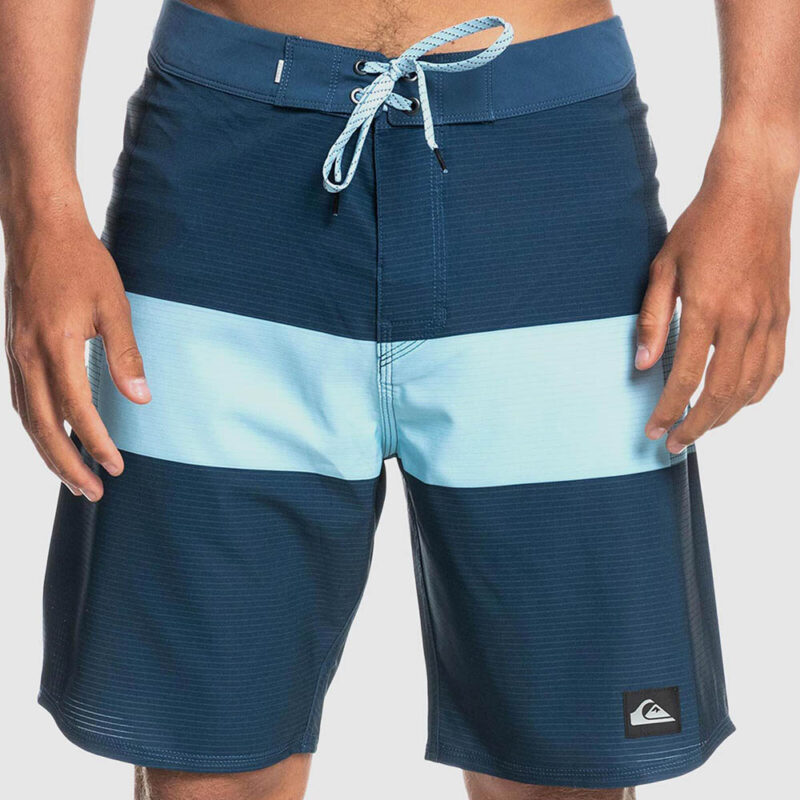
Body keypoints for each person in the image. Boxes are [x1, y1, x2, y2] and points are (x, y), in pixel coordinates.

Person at [1, 0, 797, 798]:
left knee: (570, 768)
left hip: (549, 178)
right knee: (206, 770)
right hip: (223, 185)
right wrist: (39, 213)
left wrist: (759, 170)